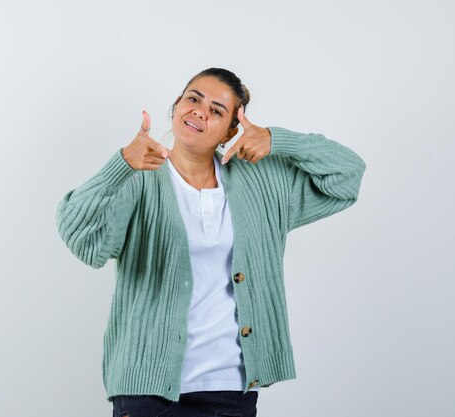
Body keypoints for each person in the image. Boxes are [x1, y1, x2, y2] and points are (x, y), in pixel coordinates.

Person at [56, 68, 366, 417]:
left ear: (231, 131)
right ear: (176, 107)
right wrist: (122, 165)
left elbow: (347, 176)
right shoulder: (139, 178)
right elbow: (81, 237)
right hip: (148, 393)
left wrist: (278, 140)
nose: (200, 111)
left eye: (217, 110)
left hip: (230, 391)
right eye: (193, 99)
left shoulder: (261, 187)